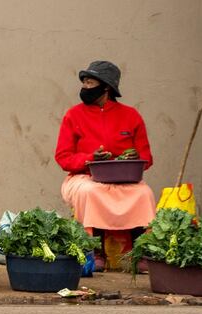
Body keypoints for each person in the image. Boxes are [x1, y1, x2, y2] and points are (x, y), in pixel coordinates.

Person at [55, 60, 156, 271]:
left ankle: (140, 253)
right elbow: (63, 157)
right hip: (83, 177)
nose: (84, 87)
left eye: (90, 83)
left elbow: (146, 157)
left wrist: (134, 158)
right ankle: (95, 251)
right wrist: (89, 159)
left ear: (106, 87)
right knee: (91, 192)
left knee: (144, 193)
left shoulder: (131, 115)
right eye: (84, 82)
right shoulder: (73, 115)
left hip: (124, 177)